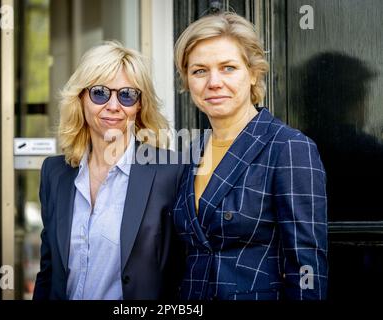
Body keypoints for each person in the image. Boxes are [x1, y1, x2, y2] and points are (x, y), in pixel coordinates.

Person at [172, 12, 328, 300]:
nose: (214, 82)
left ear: (253, 72)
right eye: (199, 71)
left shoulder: (288, 147)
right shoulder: (191, 152)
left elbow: (306, 266)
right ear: (187, 80)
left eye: (228, 68)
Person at [33, 41, 185, 300]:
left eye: (127, 95)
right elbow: (49, 271)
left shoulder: (171, 172)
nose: (114, 105)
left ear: (139, 106)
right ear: (81, 99)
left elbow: (183, 273)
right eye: (100, 93)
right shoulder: (54, 173)